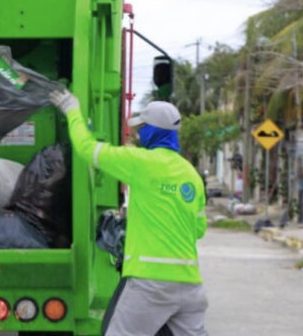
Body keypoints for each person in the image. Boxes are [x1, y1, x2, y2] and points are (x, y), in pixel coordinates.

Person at [51, 90, 208, 336]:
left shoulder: (140, 162)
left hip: (151, 283)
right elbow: (199, 229)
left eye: (142, 127)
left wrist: (72, 111)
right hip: (190, 285)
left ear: (152, 132)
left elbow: (86, 148)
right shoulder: (192, 175)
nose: (138, 132)